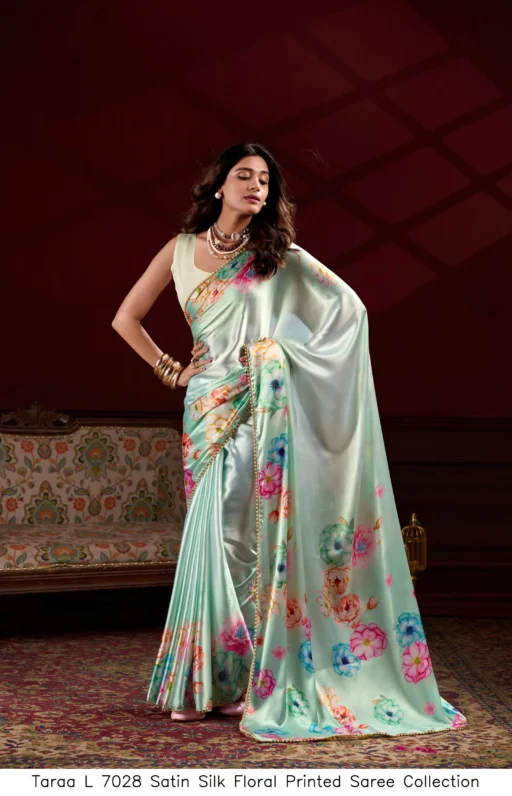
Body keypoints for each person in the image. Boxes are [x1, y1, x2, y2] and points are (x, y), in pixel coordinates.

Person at [112, 142, 467, 743]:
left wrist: (275, 356)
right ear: (218, 185)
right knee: (206, 536)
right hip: (204, 408)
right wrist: (171, 370)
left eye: (265, 180)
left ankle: (234, 678)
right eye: (244, 176)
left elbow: (349, 315)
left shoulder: (278, 255)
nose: (256, 186)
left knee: (240, 539)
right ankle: (203, 681)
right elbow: (126, 318)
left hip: (258, 409)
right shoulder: (179, 250)